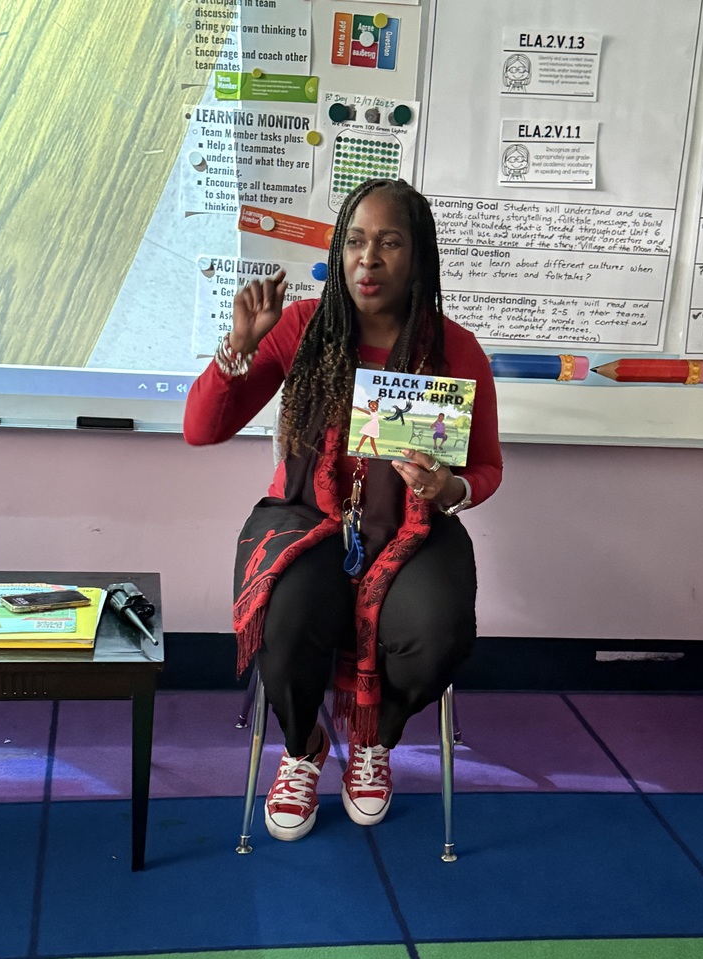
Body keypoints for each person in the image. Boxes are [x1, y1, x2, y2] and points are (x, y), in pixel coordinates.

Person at [184, 177, 503, 842]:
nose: (369, 259)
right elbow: (202, 429)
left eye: (390, 243)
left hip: (412, 527)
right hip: (305, 515)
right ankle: (303, 750)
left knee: (438, 632)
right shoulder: (301, 327)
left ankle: (374, 741)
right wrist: (239, 346)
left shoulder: (455, 351)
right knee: (283, 616)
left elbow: (486, 469)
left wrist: (451, 491)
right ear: (338, 251)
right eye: (356, 241)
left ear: (419, 257)